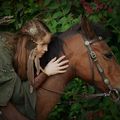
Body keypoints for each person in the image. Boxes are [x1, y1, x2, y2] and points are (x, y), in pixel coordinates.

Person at [0, 18, 69, 120]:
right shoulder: (3, 53)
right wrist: (45, 73)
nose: (46, 49)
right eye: (42, 44)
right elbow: (18, 95)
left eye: (47, 44)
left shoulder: (23, 52)